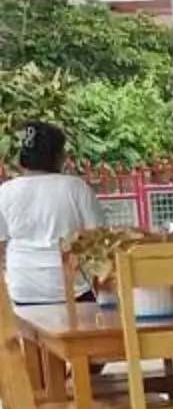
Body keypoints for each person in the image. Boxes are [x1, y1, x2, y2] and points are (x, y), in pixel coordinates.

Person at [0, 126, 104, 306]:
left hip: (22, 287)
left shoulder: (5, 191)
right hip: (71, 288)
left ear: (21, 158)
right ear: (59, 156)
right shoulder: (75, 188)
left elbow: (1, 244)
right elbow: (97, 237)